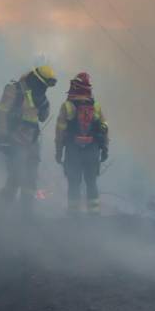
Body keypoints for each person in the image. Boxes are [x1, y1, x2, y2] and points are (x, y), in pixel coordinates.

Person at [0, 65, 57, 217]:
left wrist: (44, 105)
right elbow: (1, 113)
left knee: (31, 177)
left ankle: (26, 212)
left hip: (32, 142)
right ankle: (3, 209)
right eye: (42, 85)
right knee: (16, 175)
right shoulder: (14, 89)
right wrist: (3, 139)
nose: (44, 89)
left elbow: (42, 117)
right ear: (36, 80)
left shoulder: (40, 96)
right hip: (14, 139)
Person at [55, 72, 109, 216]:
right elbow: (104, 128)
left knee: (74, 183)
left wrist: (59, 153)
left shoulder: (67, 106)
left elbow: (60, 133)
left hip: (73, 151)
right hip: (92, 151)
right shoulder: (96, 106)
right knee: (91, 183)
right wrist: (105, 149)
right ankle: (94, 215)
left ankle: (73, 216)